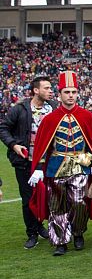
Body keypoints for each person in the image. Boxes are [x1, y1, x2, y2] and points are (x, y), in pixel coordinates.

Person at [28, 71, 92, 256]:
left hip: (80, 164)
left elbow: (91, 143)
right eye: (67, 92)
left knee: (79, 203)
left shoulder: (87, 116)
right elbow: (44, 146)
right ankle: (60, 241)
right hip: (55, 166)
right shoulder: (50, 119)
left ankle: (78, 232)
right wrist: (38, 168)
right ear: (59, 94)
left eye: (74, 92)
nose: (70, 95)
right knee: (56, 205)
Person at [0, 75, 57, 249]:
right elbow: (3, 128)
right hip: (26, 162)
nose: (50, 91)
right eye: (46, 88)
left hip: (49, 161)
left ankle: (44, 226)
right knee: (28, 198)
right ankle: (32, 233)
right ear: (36, 90)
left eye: (50, 88)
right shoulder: (20, 109)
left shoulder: (54, 107)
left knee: (49, 196)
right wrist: (14, 145)